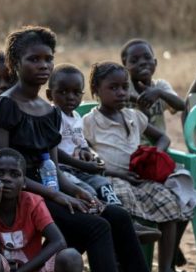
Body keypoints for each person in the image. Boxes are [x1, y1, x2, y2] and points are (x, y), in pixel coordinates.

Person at [0, 26, 183, 272]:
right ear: (15, 63)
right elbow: (0, 171)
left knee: (115, 214)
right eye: (34, 59)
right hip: (17, 198)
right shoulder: (5, 107)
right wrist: (55, 195)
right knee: (97, 227)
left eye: (48, 59)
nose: (43, 66)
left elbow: (53, 168)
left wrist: (78, 192)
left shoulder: (48, 112)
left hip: (49, 193)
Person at [83, 61, 194, 272]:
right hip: (110, 178)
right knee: (121, 204)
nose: (121, 93)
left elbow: (163, 137)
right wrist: (113, 172)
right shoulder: (90, 122)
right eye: (113, 88)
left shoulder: (134, 116)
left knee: (169, 201)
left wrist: (154, 154)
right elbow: (85, 156)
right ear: (96, 90)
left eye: (124, 87)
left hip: (139, 178)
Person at [45, 64, 161, 242]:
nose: (70, 97)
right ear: (49, 95)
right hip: (62, 171)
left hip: (80, 170)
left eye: (76, 93)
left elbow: (81, 144)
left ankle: (127, 222)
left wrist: (88, 154)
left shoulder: (76, 117)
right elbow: (54, 150)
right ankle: (113, 227)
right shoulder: (52, 116)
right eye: (63, 92)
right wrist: (82, 164)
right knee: (88, 191)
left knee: (104, 185)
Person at [120, 39, 184, 134]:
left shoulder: (160, 86)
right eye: (134, 61)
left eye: (147, 57)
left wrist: (160, 93)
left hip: (159, 142)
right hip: (129, 143)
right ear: (125, 69)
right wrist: (136, 99)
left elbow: (181, 106)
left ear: (155, 62)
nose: (142, 62)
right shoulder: (121, 90)